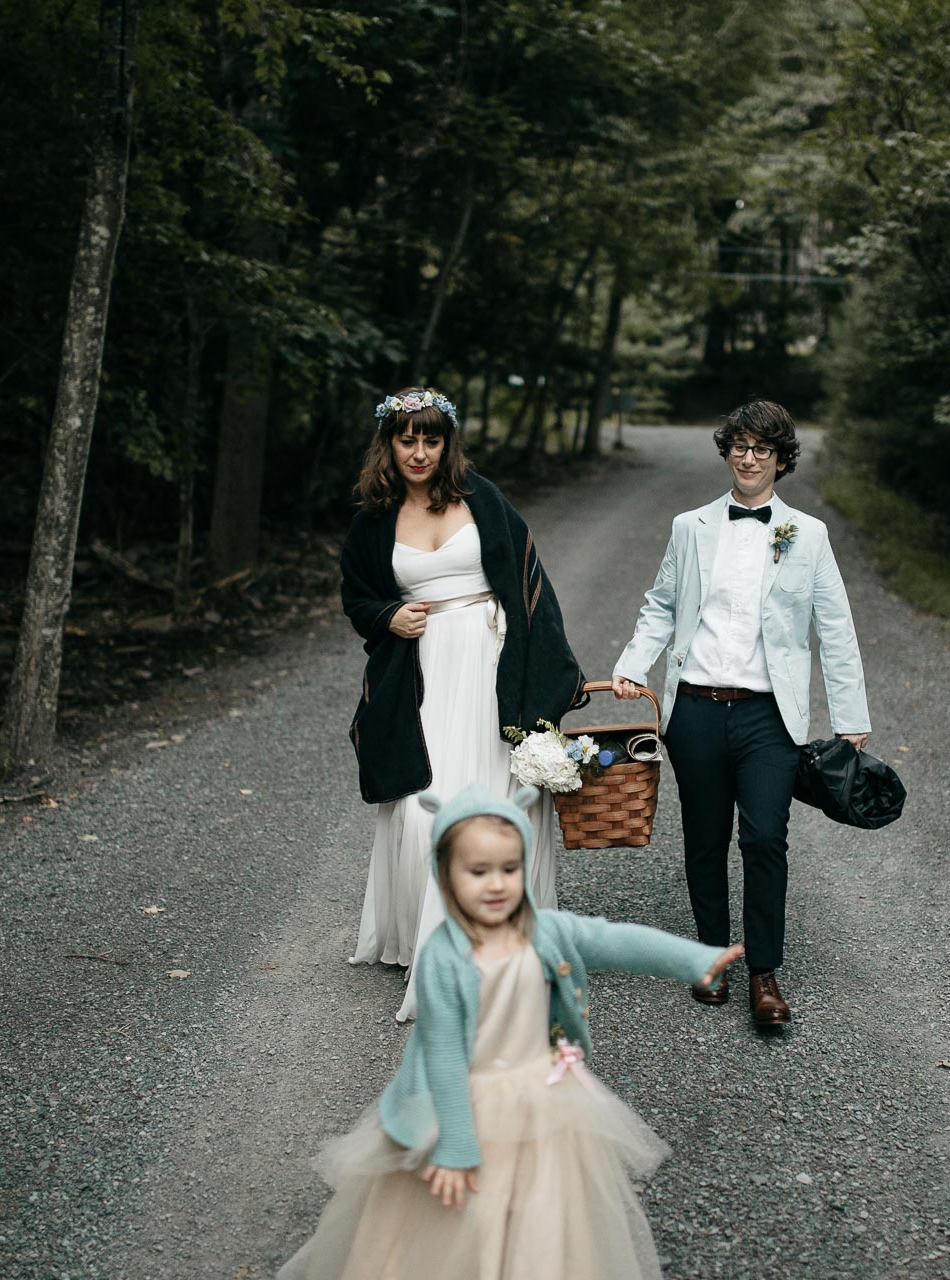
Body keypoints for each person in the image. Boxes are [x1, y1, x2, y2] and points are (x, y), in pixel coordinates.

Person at [279, 784, 742, 1280]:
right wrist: (454, 1146)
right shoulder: (444, 956)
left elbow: (614, 940)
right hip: (461, 1105)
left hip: (541, 1094)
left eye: (509, 869)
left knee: (544, 1216)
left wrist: (694, 959)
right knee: (460, 1225)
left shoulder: (544, 931)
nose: (496, 884)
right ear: (445, 875)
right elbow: (445, 1057)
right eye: (478, 872)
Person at [611, 400, 872, 1029]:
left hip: (767, 717)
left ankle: (764, 973)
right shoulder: (690, 526)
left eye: (763, 449)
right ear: (728, 451)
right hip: (695, 710)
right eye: (740, 446)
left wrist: (850, 713)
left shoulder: (807, 535)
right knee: (704, 839)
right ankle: (711, 957)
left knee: (762, 838)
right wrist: (632, 664)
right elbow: (661, 605)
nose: (750, 458)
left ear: (782, 460)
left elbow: (834, 627)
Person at [341, 387, 584, 1023]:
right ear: (388, 445)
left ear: (447, 443)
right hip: (420, 674)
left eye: (431, 439)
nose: (418, 452)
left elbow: (533, 586)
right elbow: (357, 597)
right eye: (406, 439)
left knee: (496, 804)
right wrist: (388, 616)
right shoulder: (374, 517)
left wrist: (548, 686)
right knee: (426, 813)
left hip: (490, 663)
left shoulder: (482, 499)